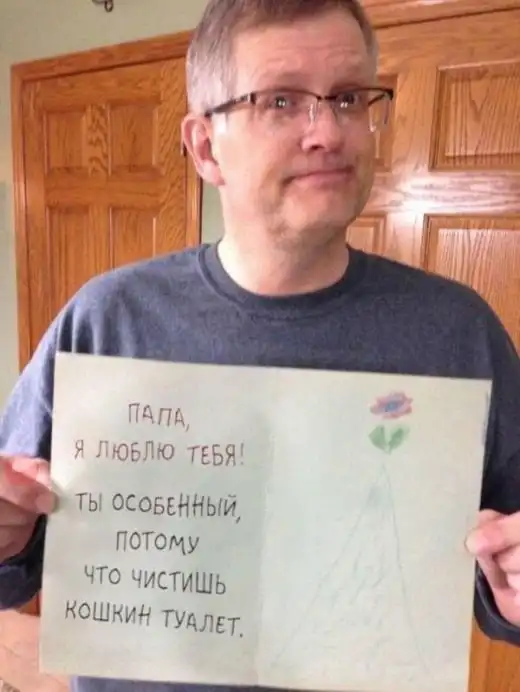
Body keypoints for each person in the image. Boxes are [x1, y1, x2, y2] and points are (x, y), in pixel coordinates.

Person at [1, 0, 520, 690]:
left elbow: (500, 576)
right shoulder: (106, 321)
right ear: (205, 147)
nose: (327, 132)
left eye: (348, 97)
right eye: (280, 101)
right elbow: (15, 557)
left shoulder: (458, 333)